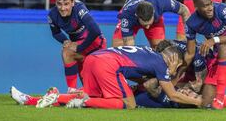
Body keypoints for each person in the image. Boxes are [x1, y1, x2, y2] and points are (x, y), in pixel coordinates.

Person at [13, 45, 202, 109]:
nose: (174, 69)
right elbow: (173, 95)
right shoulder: (161, 63)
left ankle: (31, 100)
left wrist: (141, 83)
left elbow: (135, 72)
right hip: (109, 65)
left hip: (93, 59)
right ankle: (83, 103)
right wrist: (198, 103)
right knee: (129, 104)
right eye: (177, 65)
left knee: (96, 98)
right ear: (172, 58)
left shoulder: (147, 52)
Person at [47, 0, 107, 92]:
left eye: (66, 4)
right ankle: (74, 93)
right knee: (91, 90)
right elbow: (55, 33)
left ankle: (71, 91)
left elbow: (95, 31)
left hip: (95, 44)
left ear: (72, 2)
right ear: (55, 2)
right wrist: (65, 40)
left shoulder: (79, 9)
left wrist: (79, 47)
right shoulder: (52, 15)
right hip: (78, 45)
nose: (62, 8)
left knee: (67, 52)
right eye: (59, 4)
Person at [112, 0, 190, 48]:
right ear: (137, 16)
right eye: (145, 25)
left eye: (149, 23)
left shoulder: (162, 3)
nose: (147, 27)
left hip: (155, 21)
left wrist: (189, 35)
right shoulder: (127, 15)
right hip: (132, 19)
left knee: (159, 47)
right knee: (119, 47)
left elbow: (185, 10)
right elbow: (129, 46)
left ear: (153, 13)